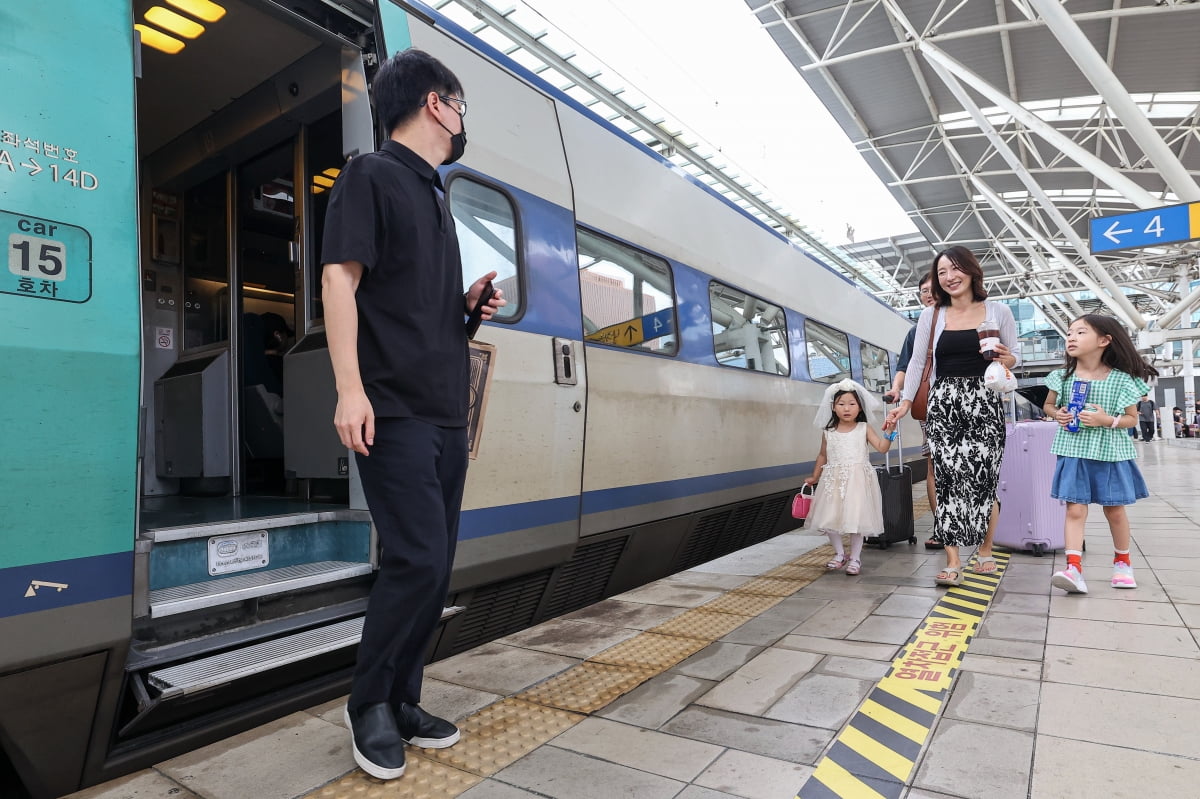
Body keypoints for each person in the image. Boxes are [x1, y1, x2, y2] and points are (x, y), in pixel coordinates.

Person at [321, 49, 505, 781]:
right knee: (416, 557)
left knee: (436, 567)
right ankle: (366, 702)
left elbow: (411, 307)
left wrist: (463, 312)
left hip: (443, 414)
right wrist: (349, 388)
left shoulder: (437, 197)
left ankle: (403, 699)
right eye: (460, 105)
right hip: (391, 407)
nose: (462, 120)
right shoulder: (371, 175)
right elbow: (341, 278)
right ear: (437, 103)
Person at [884, 246, 1019, 586]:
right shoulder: (931, 316)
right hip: (943, 403)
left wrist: (1009, 360)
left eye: (955, 269)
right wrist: (905, 401)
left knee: (984, 480)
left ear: (973, 271)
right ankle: (953, 559)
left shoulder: (999, 311)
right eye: (942, 272)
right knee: (947, 483)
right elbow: (917, 363)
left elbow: (1016, 358)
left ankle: (985, 550)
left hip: (984, 400)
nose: (949, 277)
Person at [1044, 315, 1157, 594]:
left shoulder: (1121, 380)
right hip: (1073, 450)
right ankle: (1073, 567)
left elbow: (1132, 418)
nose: (1070, 337)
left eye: (1080, 332)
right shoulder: (1062, 377)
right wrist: (1056, 413)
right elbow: (1048, 405)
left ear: (1104, 340)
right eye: (1069, 332)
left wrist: (1108, 420)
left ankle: (1122, 562)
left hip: (1111, 453)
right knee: (1074, 509)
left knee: (1114, 510)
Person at [804, 379, 892, 576]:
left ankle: (855, 558)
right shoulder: (828, 432)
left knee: (856, 520)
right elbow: (822, 455)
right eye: (841, 404)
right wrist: (814, 476)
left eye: (852, 404)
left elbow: (882, 448)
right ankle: (839, 554)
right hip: (832, 480)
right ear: (833, 408)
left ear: (859, 407)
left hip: (858, 481)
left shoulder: (864, 428)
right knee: (828, 519)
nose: (846, 408)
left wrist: (890, 432)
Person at [885, 274, 939, 549]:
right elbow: (905, 367)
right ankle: (942, 526)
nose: (928, 294)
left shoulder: (965, 322)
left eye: (932, 290)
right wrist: (898, 391)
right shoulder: (916, 331)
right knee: (934, 465)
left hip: (966, 404)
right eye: (923, 292)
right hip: (930, 406)